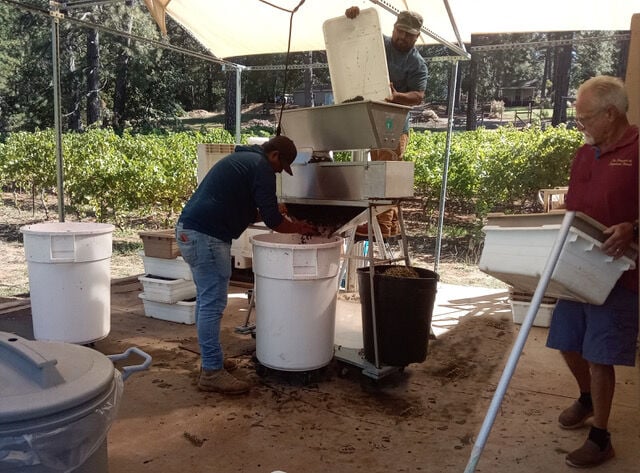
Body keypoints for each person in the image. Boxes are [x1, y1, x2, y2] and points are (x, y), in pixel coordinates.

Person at [175, 136, 317, 395]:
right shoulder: (261, 167)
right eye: (281, 166)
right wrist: (298, 226)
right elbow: (275, 222)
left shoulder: (243, 160)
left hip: (193, 232)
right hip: (206, 237)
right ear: (274, 155)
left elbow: (247, 211)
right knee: (213, 304)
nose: (279, 171)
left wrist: (275, 210)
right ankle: (211, 373)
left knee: (208, 302)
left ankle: (212, 361)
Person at [545, 75, 638, 468]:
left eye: (584, 118)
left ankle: (601, 438)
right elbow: (576, 206)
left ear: (611, 114)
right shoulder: (585, 153)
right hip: (578, 263)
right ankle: (586, 397)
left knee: (599, 353)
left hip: (618, 272)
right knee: (566, 339)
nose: (579, 124)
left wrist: (635, 227)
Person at [346, 6, 428, 237]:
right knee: (379, 170)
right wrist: (354, 16)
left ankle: (382, 226)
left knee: (384, 172)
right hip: (371, 119)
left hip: (394, 124)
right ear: (393, 28)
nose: (402, 37)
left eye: (409, 34)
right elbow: (355, 37)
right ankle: (388, 226)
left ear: (416, 36)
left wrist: (396, 96)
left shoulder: (416, 63)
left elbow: (418, 96)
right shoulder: (378, 42)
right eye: (400, 31)